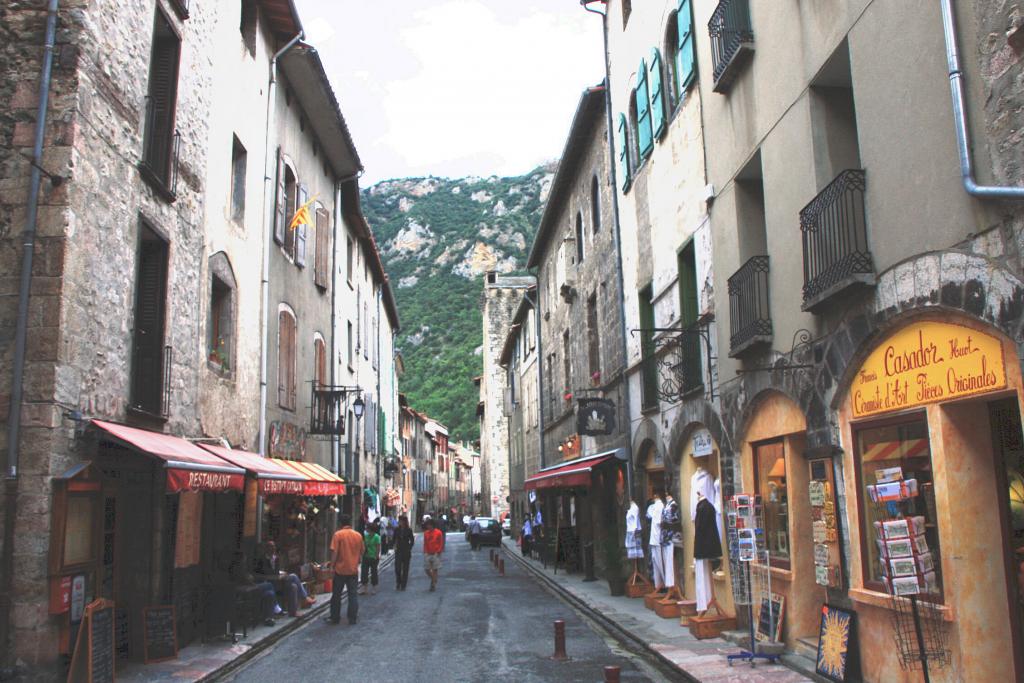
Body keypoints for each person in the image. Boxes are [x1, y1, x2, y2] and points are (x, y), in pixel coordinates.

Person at [253, 541, 315, 615]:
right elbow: (261, 574)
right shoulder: (262, 560)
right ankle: (304, 597)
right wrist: (273, 576)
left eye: (274, 546)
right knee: (294, 577)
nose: (273, 548)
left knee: (293, 586)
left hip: (279, 583)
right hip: (270, 584)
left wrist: (282, 574)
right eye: (270, 547)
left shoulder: (276, 558)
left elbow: (277, 571)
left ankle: (293, 612)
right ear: (266, 549)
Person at [326, 514, 364, 625]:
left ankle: (335, 617)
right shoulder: (358, 535)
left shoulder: (338, 535)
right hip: (353, 570)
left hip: (340, 570)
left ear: (340, 523)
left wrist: (331, 566)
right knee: (353, 595)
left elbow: (334, 552)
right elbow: (362, 551)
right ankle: (352, 618)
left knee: (336, 595)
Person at [229, 551, 280, 626]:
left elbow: (250, 577)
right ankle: (277, 607)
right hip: (247, 591)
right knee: (269, 585)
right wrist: (253, 583)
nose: (245, 560)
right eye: (244, 558)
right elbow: (245, 580)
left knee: (270, 593)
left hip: (252, 589)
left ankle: (269, 618)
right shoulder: (238, 568)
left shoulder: (244, 567)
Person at [422, 518, 445, 591]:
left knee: (435, 569)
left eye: (429, 525)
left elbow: (441, 542)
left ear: (432, 525)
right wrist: (425, 551)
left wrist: (439, 551)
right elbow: (425, 543)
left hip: (436, 553)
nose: (428, 527)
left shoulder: (438, 532)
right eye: (427, 525)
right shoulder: (426, 533)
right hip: (428, 553)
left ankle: (433, 585)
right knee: (427, 569)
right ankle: (434, 579)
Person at [393, 514, 415, 590]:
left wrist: (409, 547)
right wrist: (394, 546)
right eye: (399, 521)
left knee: (405, 569)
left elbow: (412, 540)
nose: (399, 522)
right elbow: (394, 539)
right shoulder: (396, 530)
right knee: (397, 568)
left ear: (404, 522)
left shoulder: (409, 530)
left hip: (406, 551)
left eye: (401, 521)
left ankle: (403, 585)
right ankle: (398, 581)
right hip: (398, 550)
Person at [359, 521, 381, 595]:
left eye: (367, 528)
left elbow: (378, 547)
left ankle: (374, 588)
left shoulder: (377, 537)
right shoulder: (366, 536)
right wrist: (361, 555)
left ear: (370, 529)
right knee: (364, 573)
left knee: (374, 573)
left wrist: (377, 556)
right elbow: (363, 546)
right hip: (366, 556)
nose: (366, 529)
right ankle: (364, 588)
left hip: (373, 557)